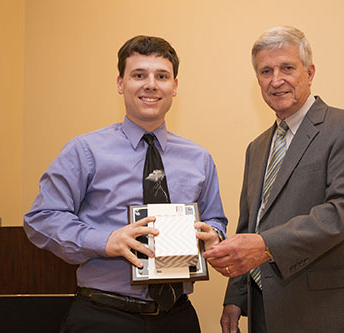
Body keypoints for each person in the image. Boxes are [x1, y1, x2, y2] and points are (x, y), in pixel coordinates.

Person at [24, 35, 227, 333]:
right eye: (139, 75)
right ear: (120, 83)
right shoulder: (84, 151)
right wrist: (104, 242)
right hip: (104, 316)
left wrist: (213, 237)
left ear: (175, 86)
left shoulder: (200, 159)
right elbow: (40, 219)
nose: (151, 84)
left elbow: (215, 220)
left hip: (177, 318)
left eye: (162, 76)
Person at [203, 26, 344, 333]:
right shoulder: (257, 148)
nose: (276, 80)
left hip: (323, 313)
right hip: (263, 311)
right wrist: (236, 298)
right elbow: (249, 226)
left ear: (309, 73)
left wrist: (266, 246)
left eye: (287, 68)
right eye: (265, 71)